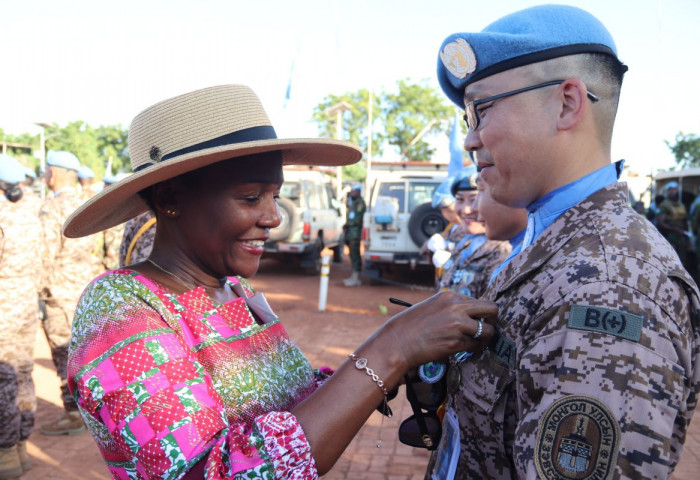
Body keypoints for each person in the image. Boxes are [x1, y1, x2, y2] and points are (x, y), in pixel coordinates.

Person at [62, 84, 496, 479]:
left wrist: (396, 362)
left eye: (275, 196)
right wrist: (390, 348)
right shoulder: (122, 310)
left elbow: (287, 400)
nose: (271, 218)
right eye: (250, 198)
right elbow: (205, 472)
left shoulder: (235, 289)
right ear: (170, 198)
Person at [427, 5, 700, 479]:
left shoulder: (612, 286)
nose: (470, 140)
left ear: (568, 103)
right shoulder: (554, 245)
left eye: (481, 109)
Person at [38, 151, 104, 436]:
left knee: (64, 354)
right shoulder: (90, 201)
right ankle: (96, 411)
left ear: (53, 174)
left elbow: (44, 254)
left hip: (60, 292)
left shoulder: (52, 208)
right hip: (89, 289)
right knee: (91, 353)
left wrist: (38, 289)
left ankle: (73, 414)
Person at [0, 155, 44, 479]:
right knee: (23, 373)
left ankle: (5, 454)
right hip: (26, 301)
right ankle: (20, 448)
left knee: (3, 377)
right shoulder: (31, 213)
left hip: (3, 303)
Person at [437, 169, 510, 298]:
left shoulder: (503, 250)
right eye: (460, 200)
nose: (466, 210)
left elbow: (492, 307)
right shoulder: (464, 240)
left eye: (474, 199)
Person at [657, 181, 692, 271]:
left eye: (676, 190)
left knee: (683, 261)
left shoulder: (681, 205)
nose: (674, 192)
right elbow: (661, 223)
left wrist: (688, 237)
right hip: (670, 237)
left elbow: (685, 221)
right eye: (672, 190)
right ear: (668, 192)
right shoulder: (664, 205)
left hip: (682, 237)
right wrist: (674, 229)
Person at [343, 184, 366, 287]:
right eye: (351, 192)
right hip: (350, 232)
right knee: (352, 254)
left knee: (355, 254)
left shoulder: (360, 203)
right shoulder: (353, 202)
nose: (352, 193)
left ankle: (356, 278)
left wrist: (349, 225)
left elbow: (357, 219)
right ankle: (353, 276)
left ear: (359, 192)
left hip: (355, 232)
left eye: (354, 192)